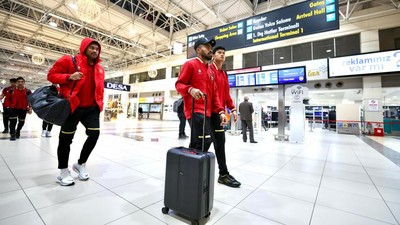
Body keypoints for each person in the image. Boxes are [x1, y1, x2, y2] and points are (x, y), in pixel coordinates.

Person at [48, 37, 105, 186]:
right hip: (72, 106)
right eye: (92, 47)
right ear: (84, 47)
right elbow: (51, 75)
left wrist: (100, 104)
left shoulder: (100, 68)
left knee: (94, 134)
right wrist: (69, 77)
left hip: (92, 108)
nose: (95, 50)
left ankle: (80, 163)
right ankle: (63, 171)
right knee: (66, 139)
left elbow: (99, 88)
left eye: (97, 49)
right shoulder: (69, 60)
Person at [175, 37, 227, 152]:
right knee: (205, 140)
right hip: (194, 110)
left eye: (211, 47)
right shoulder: (190, 64)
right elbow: (179, 85)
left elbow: (214, 95)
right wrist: (190, 89)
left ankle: (189, 166)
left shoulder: (210, 71)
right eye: (207, 47)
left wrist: (221, 111)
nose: (210, 50)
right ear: (198, 50)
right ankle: (191, 166)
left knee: (197, 143)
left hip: (206, 112)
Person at [209, 46, 241, 188]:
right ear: (213, 55)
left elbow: (226, 94)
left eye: (223, 53)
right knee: (203, 143)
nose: (222, 55)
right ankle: (194, 169)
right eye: (219, 53)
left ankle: (223, 174)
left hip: (220, 113)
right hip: (210, 113)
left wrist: (233, 109)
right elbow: (213, 93)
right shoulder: (209, 70)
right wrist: (221, 110)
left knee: (220, 143)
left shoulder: (224, 73)